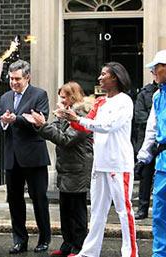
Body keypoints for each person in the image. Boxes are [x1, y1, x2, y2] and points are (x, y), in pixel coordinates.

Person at [63, 62, 138, 257]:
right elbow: (87, 127)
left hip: (119, 164)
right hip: (100, 163)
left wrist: (79, 119)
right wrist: (70, 117)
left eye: (104, 74)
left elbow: (108, 125)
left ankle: (130, 253)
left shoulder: (125, 101)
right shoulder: (100, 102)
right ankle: (89, 252)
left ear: (115, 77)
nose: (99, 78)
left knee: (124, 211)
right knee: (97, 211)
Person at [23, 81, 93, 257]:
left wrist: (43, 125)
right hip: (66, 168)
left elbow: (66, 139)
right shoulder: (66, 115)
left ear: (72, 97)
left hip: (78, 168)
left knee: (77, 210)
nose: (59, 101)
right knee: (65, 209)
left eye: (63, 97)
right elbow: (54, 129)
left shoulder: (82, 115)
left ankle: (79, 247)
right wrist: (41, 124)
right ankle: (67, 245)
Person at [0, 59, 51, 254]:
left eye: (17, 79)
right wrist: (5, 123)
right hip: (12, 157)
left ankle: (44, 239)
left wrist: (15, 119)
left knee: (39, 199)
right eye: (11, 79)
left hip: (34, 156)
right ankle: (19, 240)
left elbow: (39, 120)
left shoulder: (39, 94)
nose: (14, 82)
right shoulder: (5, 97)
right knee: (15, 201)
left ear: (27, 77)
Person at [136, 49, 166, 257]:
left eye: (157, 68)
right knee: (159, 213)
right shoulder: (157, 95)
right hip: (163, 160)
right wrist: (143, 156)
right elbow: (152, 128)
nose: (153, 72)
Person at [132, 77, 158, 220]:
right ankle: (142, 209)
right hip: (146, 140)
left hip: (160, 140)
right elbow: (139, 116)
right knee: (145, 177)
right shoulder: (144, 93)